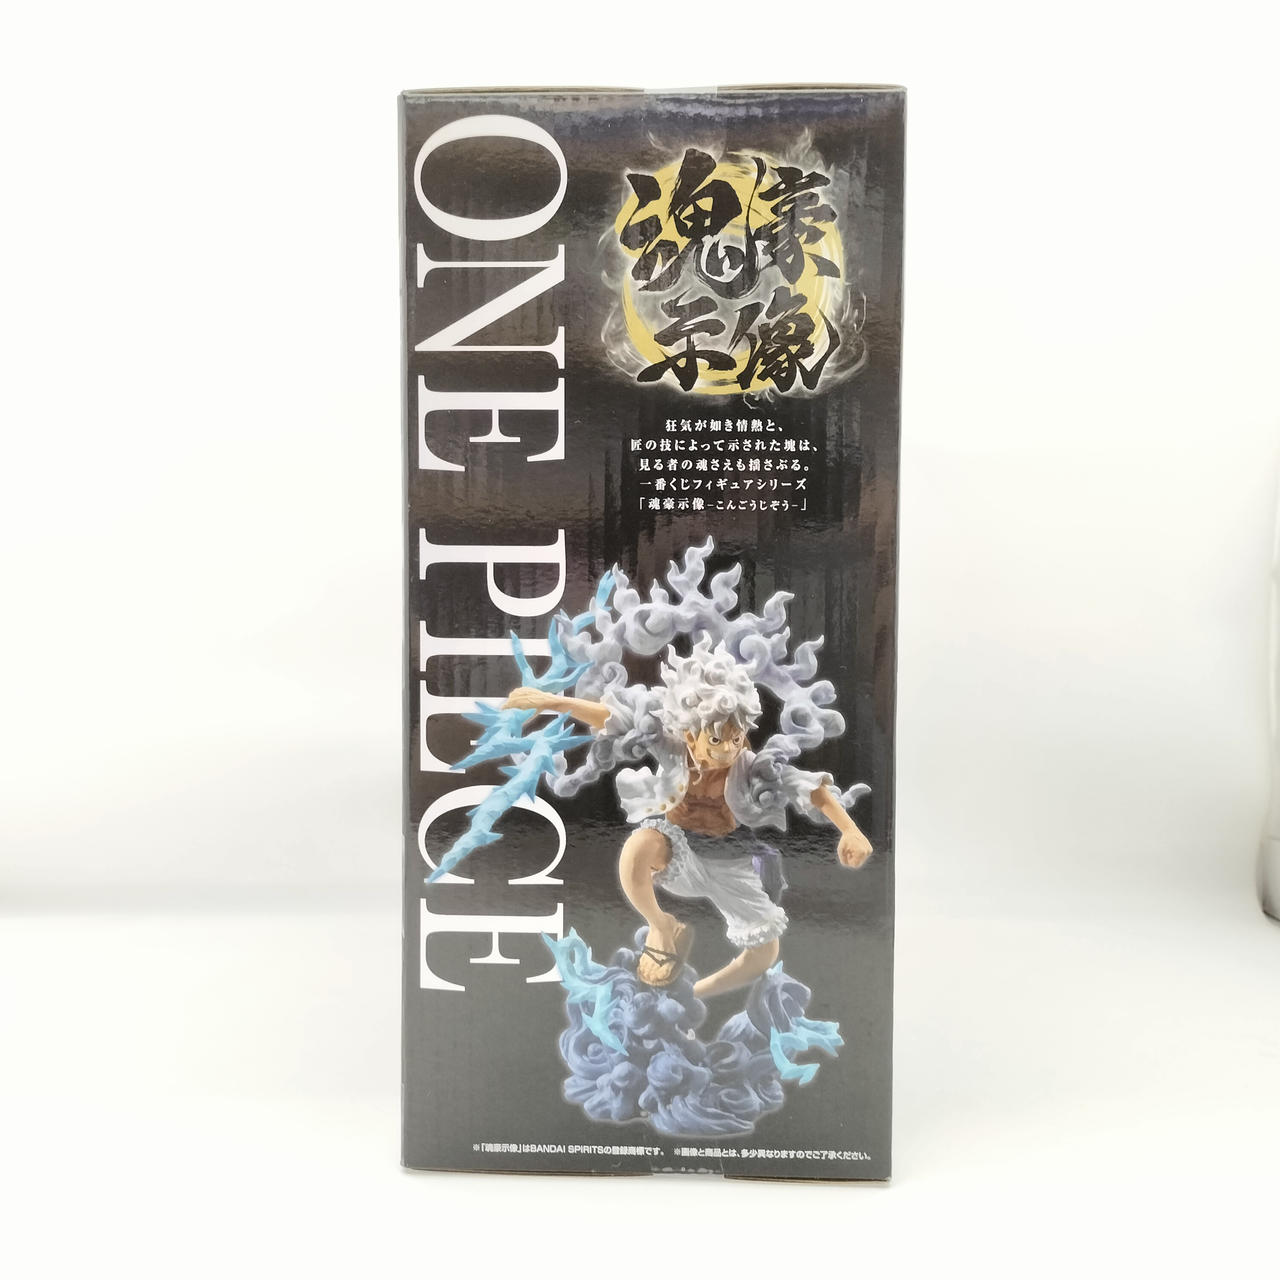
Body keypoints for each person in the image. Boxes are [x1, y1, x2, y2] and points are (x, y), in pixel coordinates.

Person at [503, 636, 872, 998]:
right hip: (676, 851)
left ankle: (696, 993)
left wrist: (850, 830)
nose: (728, 749)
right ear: (691, 734)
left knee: (764, 952)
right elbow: (617, 718)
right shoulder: (673, 748)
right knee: (638, 846)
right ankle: (661, 926)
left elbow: (808, 787)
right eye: (716, 740)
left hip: (730, 860)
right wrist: (553, 701)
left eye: (735, 738)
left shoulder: (753, 767)